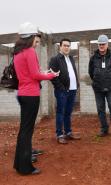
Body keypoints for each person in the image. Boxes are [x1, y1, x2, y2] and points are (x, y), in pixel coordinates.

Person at [13, 22, 58, 175]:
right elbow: (35, 75)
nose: (36, 41)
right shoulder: (30, 51)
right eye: (36, 37)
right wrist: (51, 75)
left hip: (22, 94)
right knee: (27, 131)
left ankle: (19, 163)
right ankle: (25, 167)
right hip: (31, 95)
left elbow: (28, 73)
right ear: (31, 37)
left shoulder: (18, 52)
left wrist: (43, 72)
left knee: (24, 130)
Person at [88, 35, 111, 137]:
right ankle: (104, 129)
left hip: (110, 88)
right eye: (100, 44)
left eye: (103, 44)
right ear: (98, 45)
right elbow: (90, 72)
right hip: (98, 88)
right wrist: (97, 80)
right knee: (100, 108)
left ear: (107, 44)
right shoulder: (93, 58)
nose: (101, 46)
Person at [49, 38, 81, 144]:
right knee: (60, 113)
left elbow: (73, 72)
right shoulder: (55, 59)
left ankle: (68, 132)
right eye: (65, 45)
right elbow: (52, 76)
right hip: (62, 91)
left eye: (68, 46)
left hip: (72, 90)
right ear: (60, 46)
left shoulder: (71, 58)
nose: (67, 47)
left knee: (68, 112)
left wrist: (76, 84)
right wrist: (61, 88)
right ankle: (59, 134)